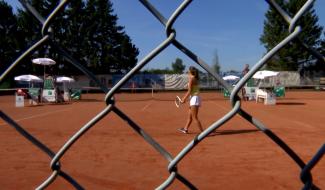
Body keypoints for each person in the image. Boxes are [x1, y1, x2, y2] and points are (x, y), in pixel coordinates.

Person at [178, 66, 204, 134]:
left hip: (194, 98)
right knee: (190, 116)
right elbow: (192, 90)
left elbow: (189, 91)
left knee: (195, 117)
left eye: (188, 70)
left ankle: (203, 133)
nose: (187, 71)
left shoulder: (191, 79)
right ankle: (185, 129)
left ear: (190, 71)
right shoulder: (195, 78)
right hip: (195, 98)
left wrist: (183, 99)